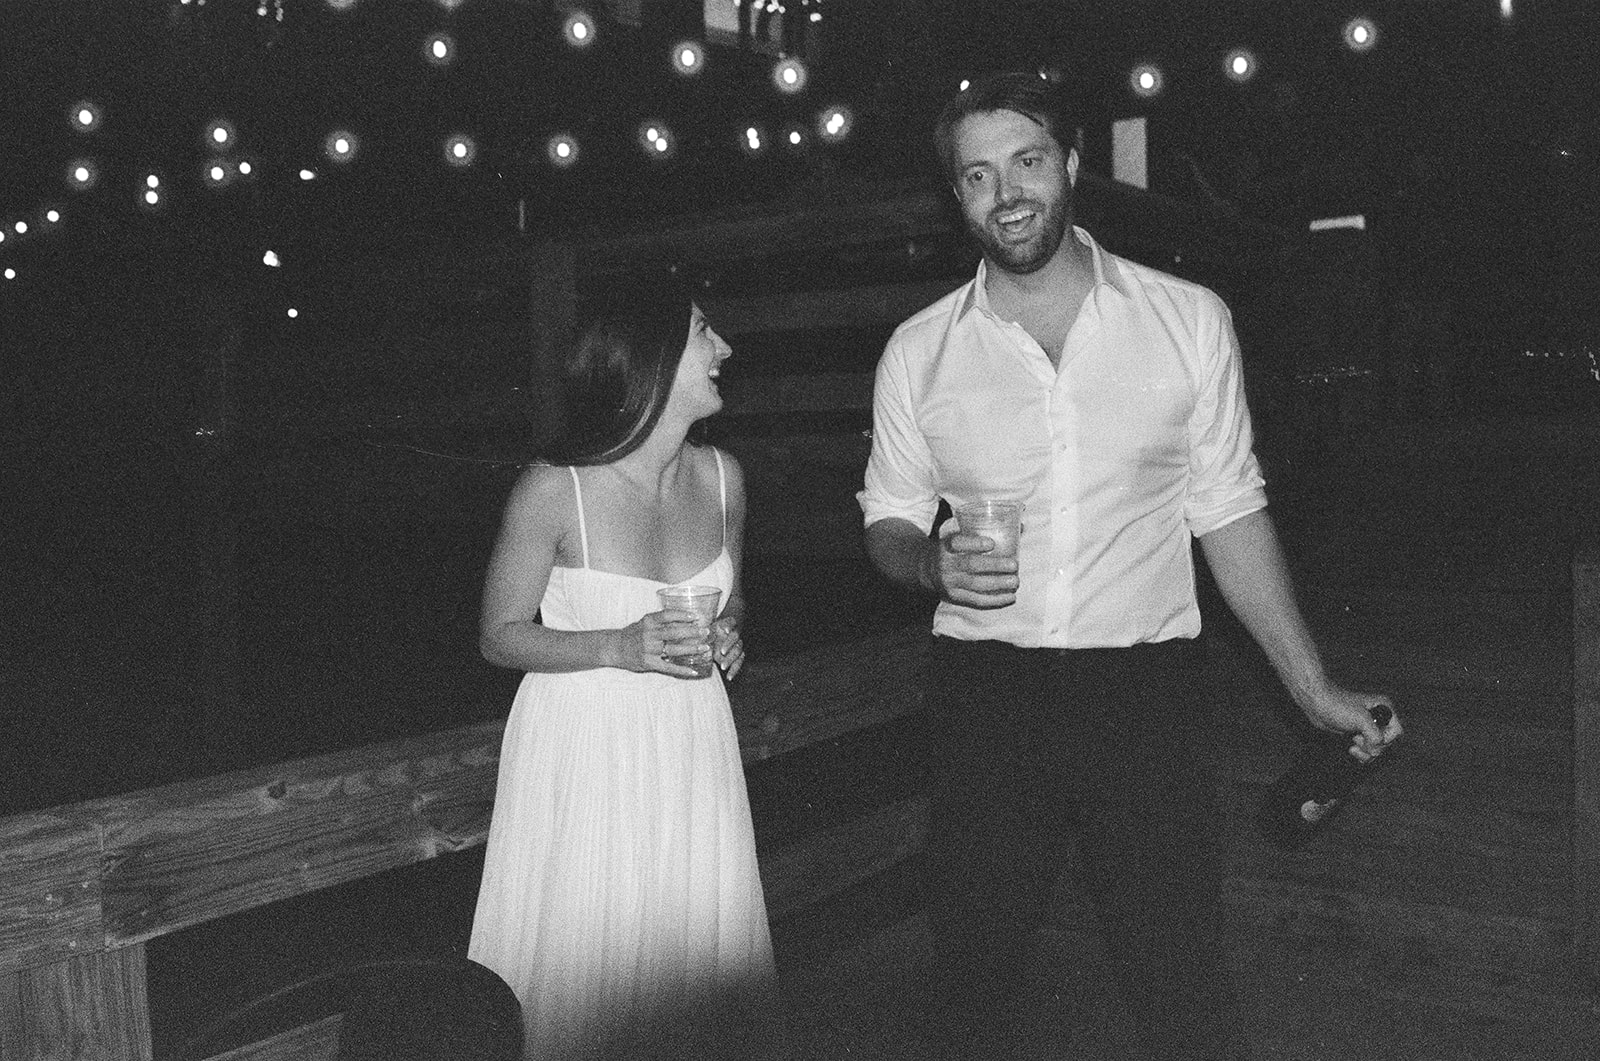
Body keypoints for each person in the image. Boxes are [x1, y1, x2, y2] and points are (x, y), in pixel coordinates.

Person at [857, 71, 1404, 1060]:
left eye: (1025, 160)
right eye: (976, 175)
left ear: (1069, 166)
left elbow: (1228, 510)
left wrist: (1312, 686)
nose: (1006, 190)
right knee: (971, 977)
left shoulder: (1185, 319)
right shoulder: (917, 352)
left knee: (1178, 974)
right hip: (987, 695)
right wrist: (929, 564)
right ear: (959, 199)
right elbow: (887, 519)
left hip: (1140, 693)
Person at [469, 280, 782, 1060]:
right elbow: (498, 635)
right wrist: (616, 645)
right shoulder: (554, 489)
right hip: (586, 747)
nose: (724, 350)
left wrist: (730, 634)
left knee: (690, 955)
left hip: (691, 739)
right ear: (653, 359)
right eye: (705, 332)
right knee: (589, 971)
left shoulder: (723, 480)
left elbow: (731, 599)